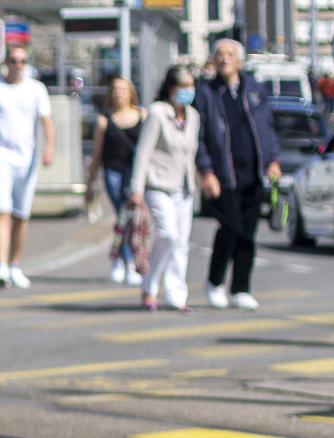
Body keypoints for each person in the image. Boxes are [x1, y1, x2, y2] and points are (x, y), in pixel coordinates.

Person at [195, 38, 283, 309]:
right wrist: (206, 171)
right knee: (230, 227)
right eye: (220, 54)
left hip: (253, 172)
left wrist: (273, 160)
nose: (224, 59)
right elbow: (198, 137)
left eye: (230, 54)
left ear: (240, 61)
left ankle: (241, 289)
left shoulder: (254, 89)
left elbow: (267, 127)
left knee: (248, 232)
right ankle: (215, 282)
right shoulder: (206, 93)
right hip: (223, 174)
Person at [0, 43, 53, 289]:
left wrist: (49, 148)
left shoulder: (36, 89)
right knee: (1, 210)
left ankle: (15, 264)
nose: (18, 66)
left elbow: (47, 122)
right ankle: (1, 265)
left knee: (21, 215)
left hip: (26, 159)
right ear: (5, 62)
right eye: (14, 60)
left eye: (22, 61)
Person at [129, 66, 202, 312]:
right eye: (184, 87)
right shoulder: (158, 113)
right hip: (157, 184)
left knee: (180, 242)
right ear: (171, 89)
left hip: (184, 187)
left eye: (191, 87)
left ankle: (176, 295)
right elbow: (144, 151)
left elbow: (191, 153)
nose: (188, 92)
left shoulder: (193, 116)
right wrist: (136, 189)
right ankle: (149, 285)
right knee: (168, 234)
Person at [85, 75, 145, 284]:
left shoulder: (142, 116)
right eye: (115, 89)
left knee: (127, 217)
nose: (119, 93)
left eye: (122, 89)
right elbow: (96, 154)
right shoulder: (104, 121)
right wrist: (89, 184)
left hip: (134, 172)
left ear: (130, 93)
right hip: (112, 171)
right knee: (123, 215)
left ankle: (120, 258)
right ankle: (128, 263)